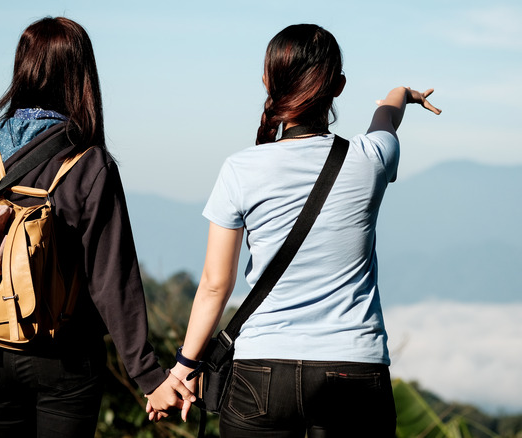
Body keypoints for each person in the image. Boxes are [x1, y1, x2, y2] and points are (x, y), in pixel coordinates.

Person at [147, 24, 441, 436]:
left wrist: (184, 368)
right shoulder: (370, 158)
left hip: (260, 374)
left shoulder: (240, 169)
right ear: (338, 87)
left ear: (267, 81)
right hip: (354, 368)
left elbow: (216, 284)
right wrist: (402, 93)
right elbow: (386, 118)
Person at [0, 16, 192, 437]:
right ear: (81, 76)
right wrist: (149, 376)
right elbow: (112, 278)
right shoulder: (89, 163)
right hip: (67, 358)